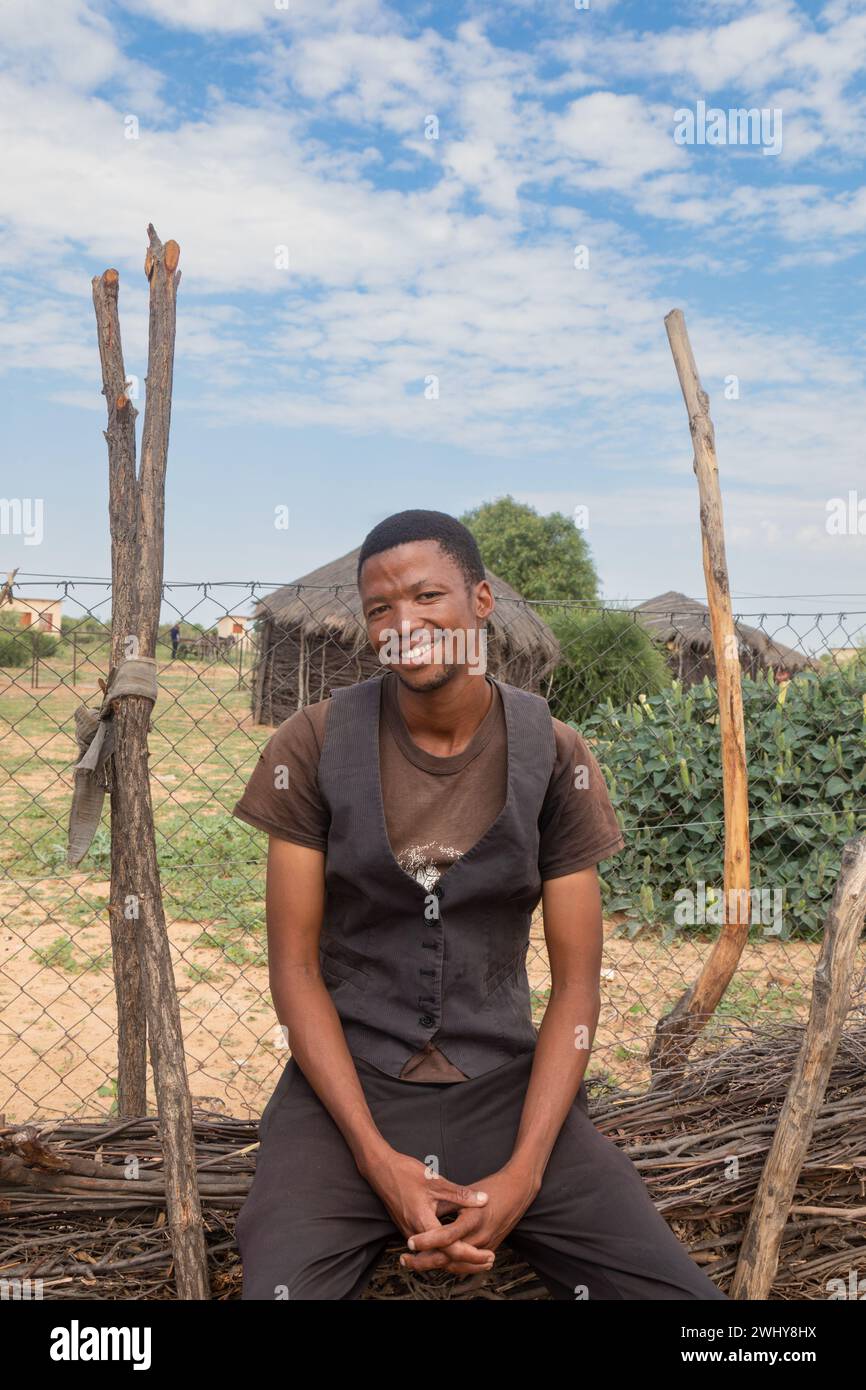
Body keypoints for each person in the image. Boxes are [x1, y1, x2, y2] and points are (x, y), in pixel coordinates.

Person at [231, 509, 729, 1302]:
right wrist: (371, 1154)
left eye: (428, 596)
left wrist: (527, 1171)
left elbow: (576, 987)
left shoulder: (556, 755)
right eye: (381, 609)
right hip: (347, 1092)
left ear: (483, 601)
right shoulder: (313, 745)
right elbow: (292, 969)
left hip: (508, 1089)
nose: (405, 623)